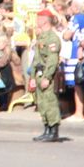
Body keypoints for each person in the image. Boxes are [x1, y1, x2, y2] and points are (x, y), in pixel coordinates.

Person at [29, 9, 62, 142]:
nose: (36, 21)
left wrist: (47, 77)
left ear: (44, 20)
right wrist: (32, 77)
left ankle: (54, 131)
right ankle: (46, 129)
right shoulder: (41, 37)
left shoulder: (52, 38)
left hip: (47, 74)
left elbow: (52, 60)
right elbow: (36, 59)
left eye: (38, 18)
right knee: (41, 103)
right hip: (39, 73)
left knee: (50, 102)